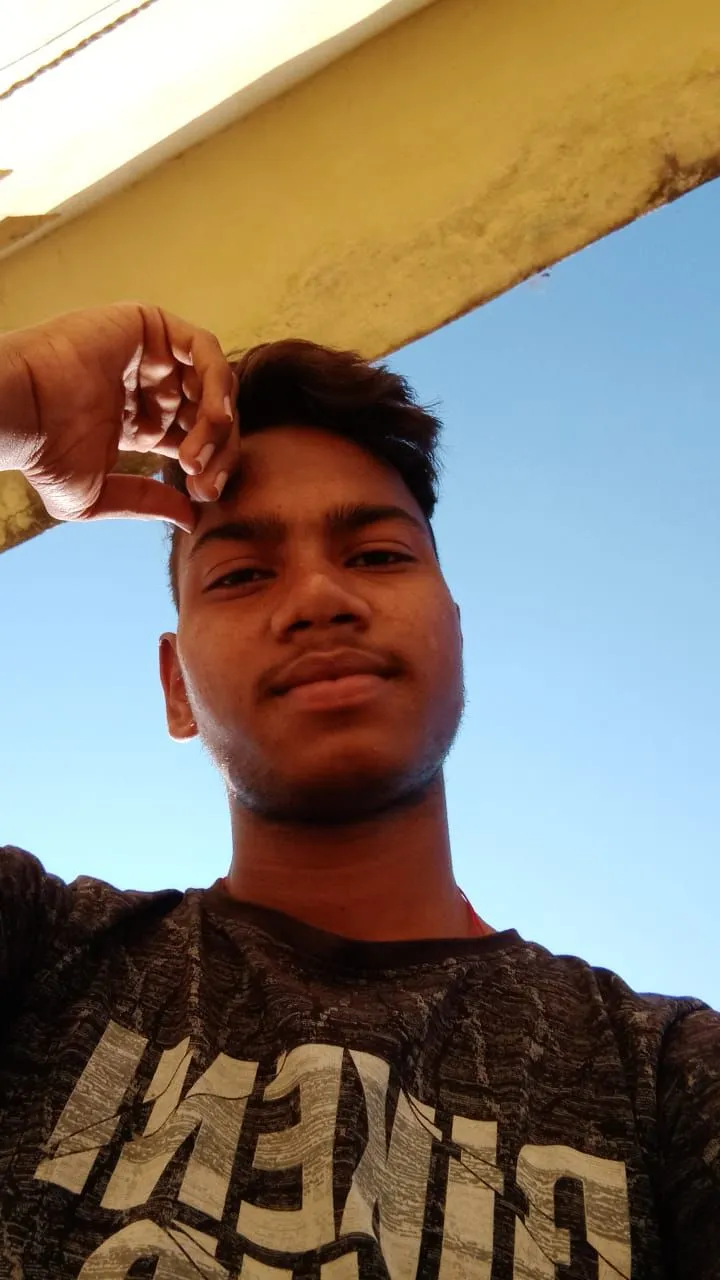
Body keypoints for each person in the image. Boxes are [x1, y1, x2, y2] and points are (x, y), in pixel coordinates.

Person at [0, 302, 717, 1278]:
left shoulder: (666, 1077)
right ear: (176, 687)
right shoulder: (41, 961)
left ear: (455, 630)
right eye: (242, 573)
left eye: (377, 555)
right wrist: (16, 394)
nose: (318, 598)